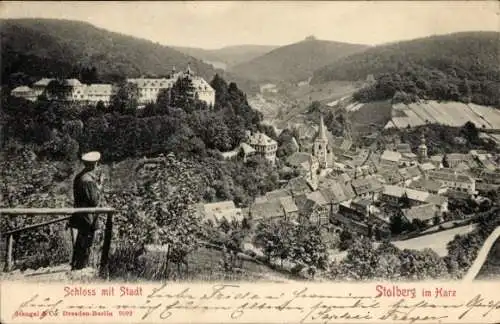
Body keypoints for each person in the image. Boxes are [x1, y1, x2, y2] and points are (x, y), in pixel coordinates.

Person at [69, 151, 104, 270]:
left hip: (81, 214)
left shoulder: (80, 176)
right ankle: (80, 267)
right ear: (94, 164)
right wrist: (99, 188)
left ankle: (76, 265)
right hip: (87, 216)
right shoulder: (87, 180)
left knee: (81, 241)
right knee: (86, 242)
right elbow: (93, 201)